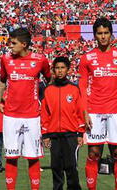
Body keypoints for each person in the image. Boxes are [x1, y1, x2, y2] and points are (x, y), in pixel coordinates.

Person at [78, 17, 117, 190]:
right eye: (99, 33)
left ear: (111, 34)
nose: (103, 36)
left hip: (116, 111)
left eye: (106, 33)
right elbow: (82, 86)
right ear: (94, 35)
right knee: (93, 153)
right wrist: (84, 112)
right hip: (94, 110)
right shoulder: (87, 58)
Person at [0, 28, 51, 190]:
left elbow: (50, 82)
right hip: (11, 116)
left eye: (13, 43)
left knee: (33, 157)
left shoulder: (40, 60)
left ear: (24, 44)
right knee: (11, 157)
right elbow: (2, 81)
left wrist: (48, 103)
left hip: (32, 116)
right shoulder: (5, 59)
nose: (10, 46)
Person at [41, 56, 85, 190]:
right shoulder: (48, 90)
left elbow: (79, 111)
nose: (60, 71)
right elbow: (45, 113)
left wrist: (80, 133)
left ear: (68, 70)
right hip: (54, 134)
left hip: (71, 134)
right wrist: (45, 134)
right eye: (57, 68)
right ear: (53, 70)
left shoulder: (74, 89)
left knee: (71, 167)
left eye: (62, 68)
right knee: (56, 167)